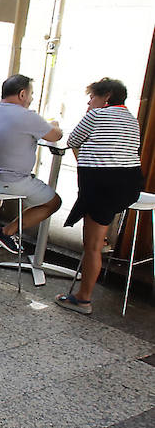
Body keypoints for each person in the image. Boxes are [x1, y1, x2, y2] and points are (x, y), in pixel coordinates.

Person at [56, 78, 143, 315]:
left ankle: (83, 299)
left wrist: (83, 160)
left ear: (106, 97)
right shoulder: (132, 119)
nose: (89, 101)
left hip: (102, 183)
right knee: (101, 226)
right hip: (130, 183)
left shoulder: (96, 116)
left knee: (91, 246)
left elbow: (72, 141)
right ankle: (104, 236)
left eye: (92, 97)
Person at [0, 74, 63, 252]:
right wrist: (54, 123)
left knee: (12, 179)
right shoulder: (27, 116)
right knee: (54, 202)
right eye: (31, 94)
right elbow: (55, 135)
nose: (32, 98)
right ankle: (6, 232)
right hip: (8, 183)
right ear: (22, 94)